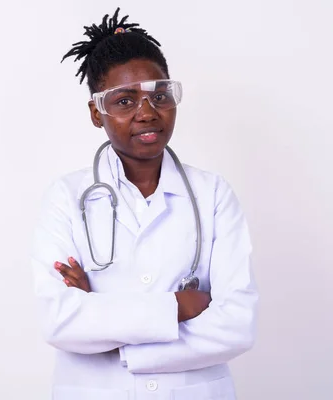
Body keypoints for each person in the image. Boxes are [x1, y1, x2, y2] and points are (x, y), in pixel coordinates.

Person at [30, 8, 259, 400]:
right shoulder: (65, 199)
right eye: (124, 100)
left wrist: (107, 325)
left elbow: (237, 326)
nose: (148, 112)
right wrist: (177, 307)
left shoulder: (214, 195)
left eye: (159, 95)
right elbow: (59, 321)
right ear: (95, 113)